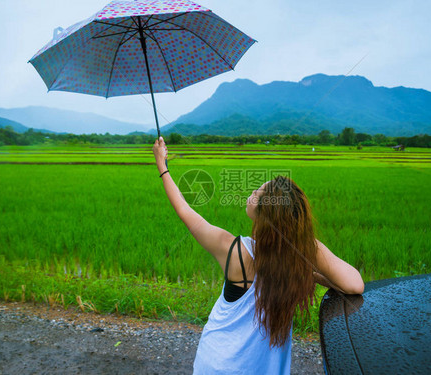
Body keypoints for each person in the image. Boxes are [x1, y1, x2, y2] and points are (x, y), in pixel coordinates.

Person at [152, 137, 364, 374]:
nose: (252, 192)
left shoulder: (234, 250)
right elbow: (354, 284)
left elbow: (184, 210)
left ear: (267, 214)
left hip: (216, 365)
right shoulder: (304, 251)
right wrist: (311, 274)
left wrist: (162, 165)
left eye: (259, 192)